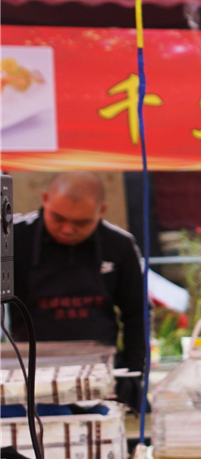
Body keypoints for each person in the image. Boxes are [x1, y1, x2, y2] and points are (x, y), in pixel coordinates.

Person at [10, 173, 148, 407]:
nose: (67, 229)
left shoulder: (119, 246)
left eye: (81, 223)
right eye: (58, 218)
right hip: (32, 371)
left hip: (100, 373)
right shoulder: (14, 239)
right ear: (45, 199)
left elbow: (137, 314)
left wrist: (132, 373)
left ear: (101, 211)